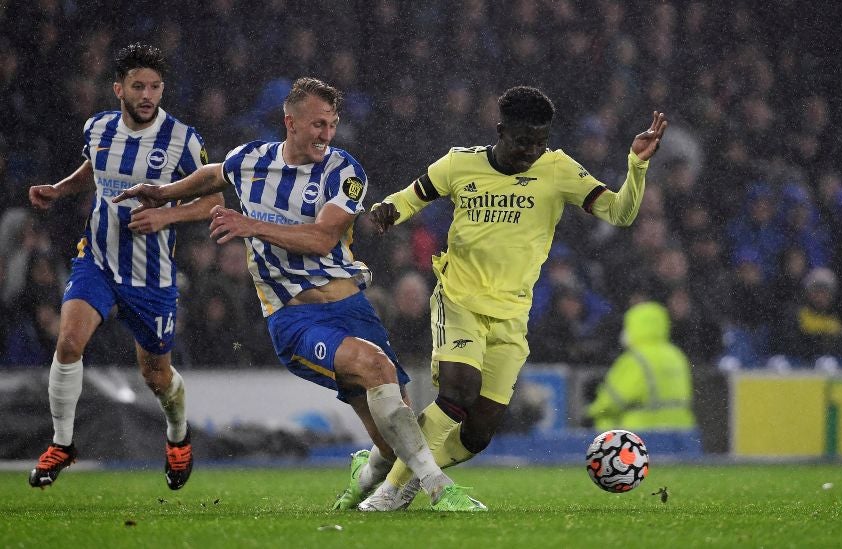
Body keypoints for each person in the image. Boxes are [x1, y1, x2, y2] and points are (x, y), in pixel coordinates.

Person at [113, 77, 484, 512]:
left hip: (354, 310)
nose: (327, 135)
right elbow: (215, 174)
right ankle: (440, 490)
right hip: (295, 318)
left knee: (390, 442)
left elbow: (323, 238)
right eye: (318, 125)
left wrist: (252, 226)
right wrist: (163, 194)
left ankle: (366, 472)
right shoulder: (251, 159)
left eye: (332, 125)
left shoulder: (344, 171)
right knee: (376, 367)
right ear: (290, 122)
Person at [364, 86, 667, 510]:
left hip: (511, 315)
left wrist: (636, 166)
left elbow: (620, 213)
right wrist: (382, 213)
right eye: (523, 140)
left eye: (540, 141)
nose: (531, 150)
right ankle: (390, 492)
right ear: (500, 129)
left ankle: (390, 469)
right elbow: (409, 198)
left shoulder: (558, 168)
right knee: (458, 392)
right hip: (459, 299)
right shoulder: (459, 163)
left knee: (479, 433)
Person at [26, 43, 224, 490]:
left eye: (155, 86)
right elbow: (94, 170)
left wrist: (166, 215)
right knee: (69, 342)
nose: (148, 94)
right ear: (119, 88)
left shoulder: (183, 139)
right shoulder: (97, 128)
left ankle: (177, 436)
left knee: (155, 375)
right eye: (138, 86)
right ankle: (62, 443)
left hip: (150, 277)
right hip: (96, 259)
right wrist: (60, 189)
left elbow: (213, 200)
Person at [586, 301, 696, 431]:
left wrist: (591, 412)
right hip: (681, 433)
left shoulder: (636, 359)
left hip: (644, 432)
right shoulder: (676, 355)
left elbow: (613, 400)